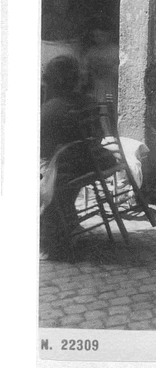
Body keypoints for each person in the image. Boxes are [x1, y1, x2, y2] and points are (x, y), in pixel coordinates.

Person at [40, 55, 115, 260]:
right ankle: (67, 221)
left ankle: (53, 234)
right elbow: (99, 137)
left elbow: (43, 150)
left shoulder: (49, 109)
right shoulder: (88, 101)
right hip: (97, 161)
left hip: (71, 168)